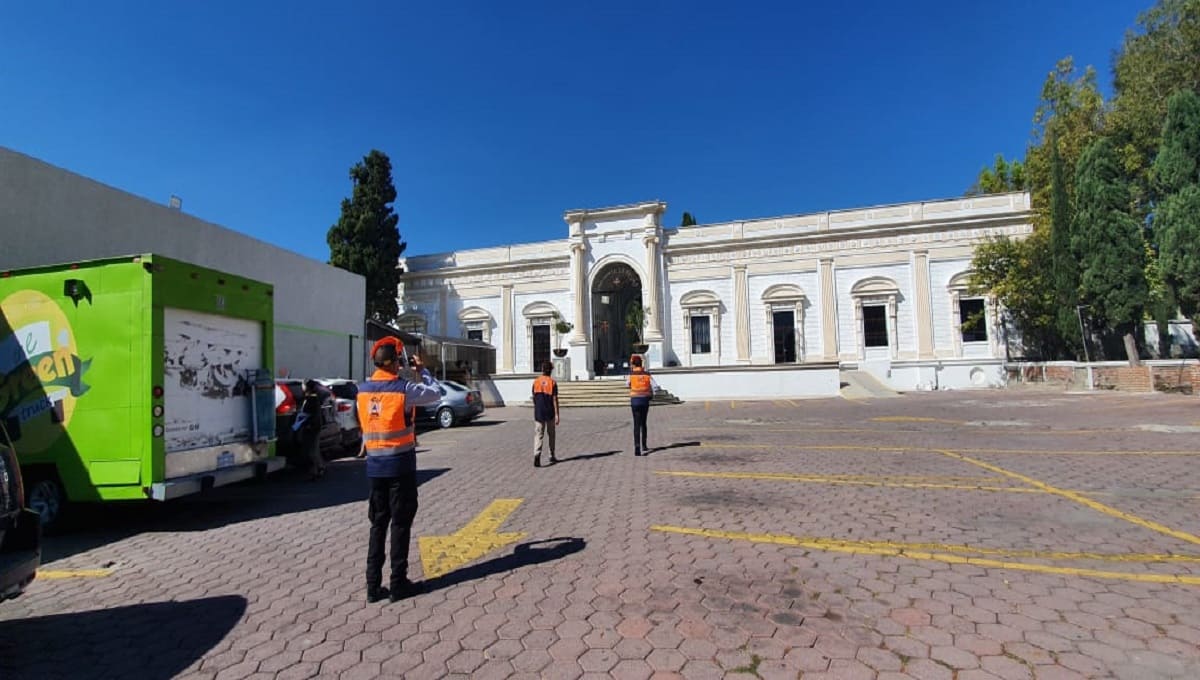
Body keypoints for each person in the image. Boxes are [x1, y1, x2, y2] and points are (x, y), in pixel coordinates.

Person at [356, 336, 442, 603]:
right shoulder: (404, 389)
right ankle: (398, 583)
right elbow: (436, 393)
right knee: (401, 524)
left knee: (378, 524)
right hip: (401, 466)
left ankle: (373, 586)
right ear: (395, 363)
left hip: (374, 468)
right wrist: (422, 370)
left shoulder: (362, 390)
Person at [625, 355, 659, 456]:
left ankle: (637, 447)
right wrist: (652, 394)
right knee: (643, 423)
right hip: (645, 400)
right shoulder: (647, 374)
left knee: (636, 424)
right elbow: (656, 387)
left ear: (633, 364)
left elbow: (627, 384)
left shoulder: (631, 374)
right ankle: (644, 444)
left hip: (635, 401)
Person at [531, 361, 560, 467]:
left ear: (542, 370)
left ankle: (537, 455)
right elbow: (555, 399)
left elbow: (534, 397)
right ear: (551, 370)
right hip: (550, 412)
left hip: (539, 412)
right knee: (551, 435)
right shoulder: (552, 383)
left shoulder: (536, 382)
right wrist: (557, 414)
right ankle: (552, 455)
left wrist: (537, 407)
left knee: (538, 435)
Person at [298, 380, 326, 479]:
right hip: (313, 426)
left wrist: (308, 424)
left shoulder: (311, 399)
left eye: (303, 386)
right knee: (314, 448)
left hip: (312, 427)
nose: (302, 388)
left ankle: (314, 471)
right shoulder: (312, 398)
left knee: (311, 449)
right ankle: (320, 467)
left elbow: (311, 414)